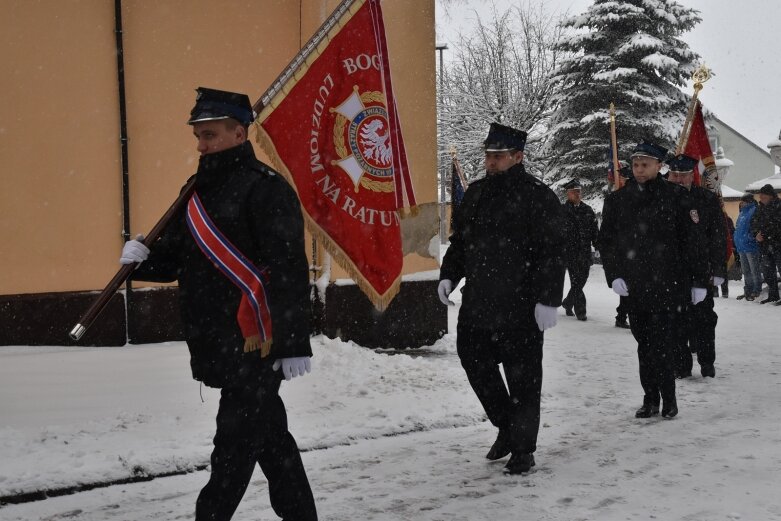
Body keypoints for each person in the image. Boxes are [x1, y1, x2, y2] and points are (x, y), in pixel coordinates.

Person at [119, 87, 318, 521]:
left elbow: (287, 268)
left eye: (209, 135)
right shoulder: (195, 190)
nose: (200, 144)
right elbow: (178, 257)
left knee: (231, 446)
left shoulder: (267, 190)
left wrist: (292, 342)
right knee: (271, 439)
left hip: (256, 341)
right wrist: (142, 260)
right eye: (198, 135)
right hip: (215, 338)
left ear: (238, 133)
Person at [438, 122, 565, 474]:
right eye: (488, 156)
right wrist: (449, 275)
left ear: (517, 156)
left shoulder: (538, 196)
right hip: (479, 301)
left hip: (521, 305)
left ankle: (523, 449)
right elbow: (461, 243)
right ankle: (507, 425)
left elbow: (552, 251)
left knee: (523, 378)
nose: (490, 162)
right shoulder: (476, 194)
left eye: (498, 156)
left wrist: (548, 299)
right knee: (473, 360)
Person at [598, 142, 710, 419]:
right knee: (644, 344)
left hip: (669, 283)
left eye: (645, 164)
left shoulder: (676, 197)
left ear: (659, 166)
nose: (639, 170)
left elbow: (692, 243)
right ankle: (650, 398)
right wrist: (614, 275)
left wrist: (699, 281)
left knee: (661, 342)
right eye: (635, 165)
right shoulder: (618, 200)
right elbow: (608, 243)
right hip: (635, 286)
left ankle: (668, 397)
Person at [666, 154, 726, 379]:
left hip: (700, 270)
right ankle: (681, 366)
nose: (679, 179)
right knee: (676, 322)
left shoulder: (706, 199)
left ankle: (707, 362)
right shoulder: (661, 200)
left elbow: (718, 236)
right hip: (671, 273)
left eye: (683, 175)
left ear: (693, 176)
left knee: (704, 320)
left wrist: (719, 268)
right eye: (674, 175)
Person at [560, 180, 599, 321]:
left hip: (585, 251)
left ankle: (568, 302)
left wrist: (598, 245)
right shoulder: (562, 211)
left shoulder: (587, 210)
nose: (577, 194)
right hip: (569, 252)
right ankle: (580, 311)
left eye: (579, 191)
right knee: (576, 281)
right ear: (568, 193)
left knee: (582, 279)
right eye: (574, 191)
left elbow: (595, 230)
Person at [750, 183, 781, 304]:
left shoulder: (778, 206)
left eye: (763, 196)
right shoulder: (760, 208)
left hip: (778, 244)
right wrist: (756, 234)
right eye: (760, 196)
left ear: (771, 196)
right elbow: (753, 223)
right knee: (768, 273)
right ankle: (773, 295)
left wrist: (766, 235)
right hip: (764, 246)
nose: (761, 199)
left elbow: (777, 225)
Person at [613, 163, 633, 329]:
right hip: (622, 250)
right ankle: (622, 315)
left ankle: (624, 315)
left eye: (623, 178)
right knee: (626, 286)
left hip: (636, 249)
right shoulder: (616, 199)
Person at [734, 193, 762, 301]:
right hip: (742, 246)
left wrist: (749, 238)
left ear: (748, 201)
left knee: (754, 270)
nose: (741, 203)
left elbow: (755, 227)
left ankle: (756, 290)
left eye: (743, 201)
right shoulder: (742, 213)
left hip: (750, 246)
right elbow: (738, 228)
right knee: (746, 271)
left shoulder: (754, 210)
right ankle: (748, 290)